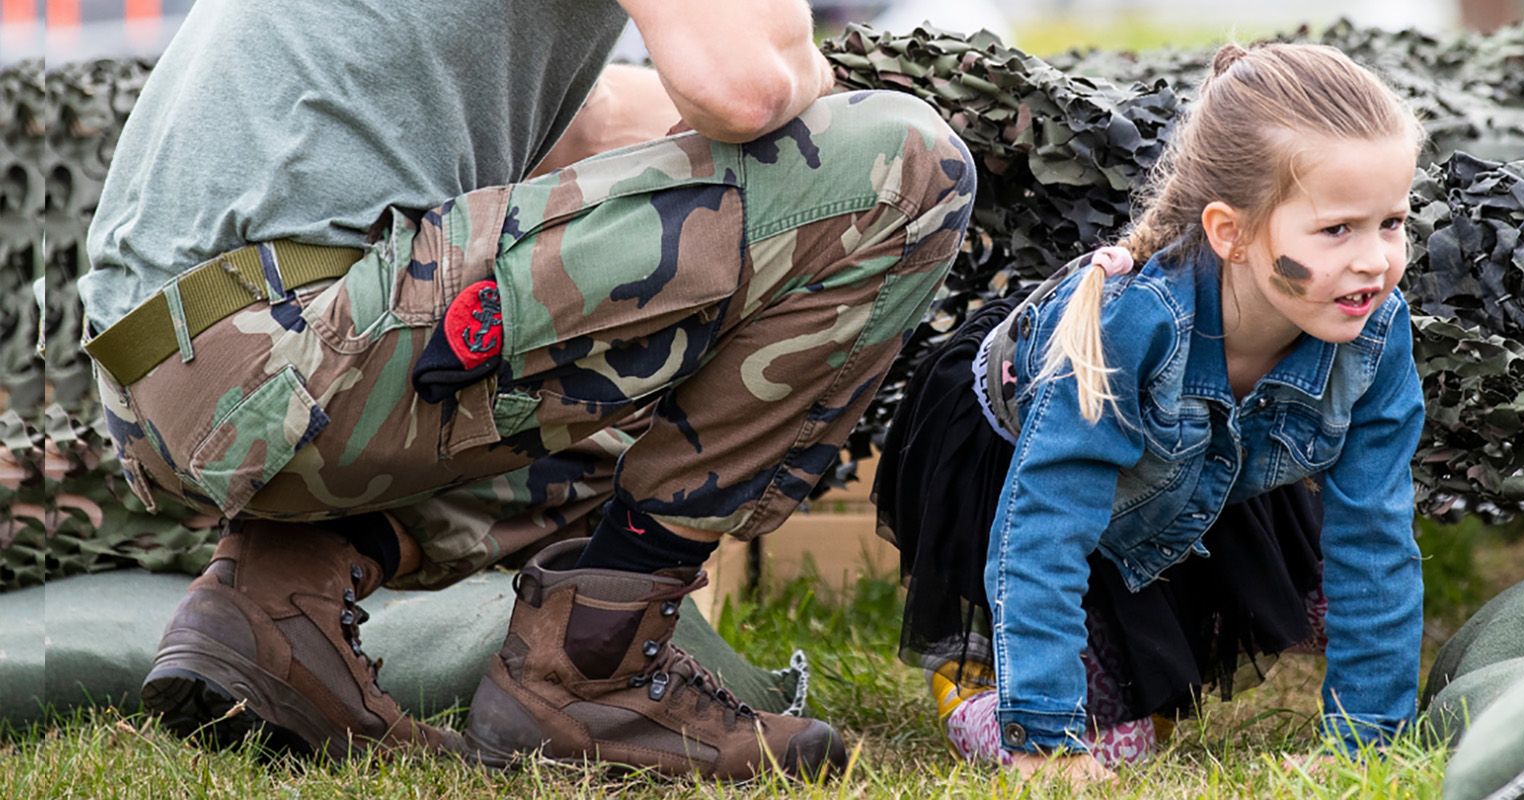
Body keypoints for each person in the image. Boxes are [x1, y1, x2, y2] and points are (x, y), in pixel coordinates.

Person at [79, 0, 975, 781]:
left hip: (170, 372)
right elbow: (743, 86)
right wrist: (832, 80)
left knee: (654, 375)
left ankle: (279, 596)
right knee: (904, 162)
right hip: (287, 358)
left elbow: (577, 125)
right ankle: (592, 672)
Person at [873, 41, 1426, 784]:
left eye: (1390, 222)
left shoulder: (1374, 331)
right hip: (1010, 461)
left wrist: (1365, 741)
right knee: (1115, 739)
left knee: (1297, 611)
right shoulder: (1133, 326)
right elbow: (1042, 527)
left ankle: (1135, 635)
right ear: (1229, 233)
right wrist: (1043, 740)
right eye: (1337, 230)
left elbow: (1376, 534)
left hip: (1190, 471)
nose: (1374, 261)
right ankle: (980, 688)